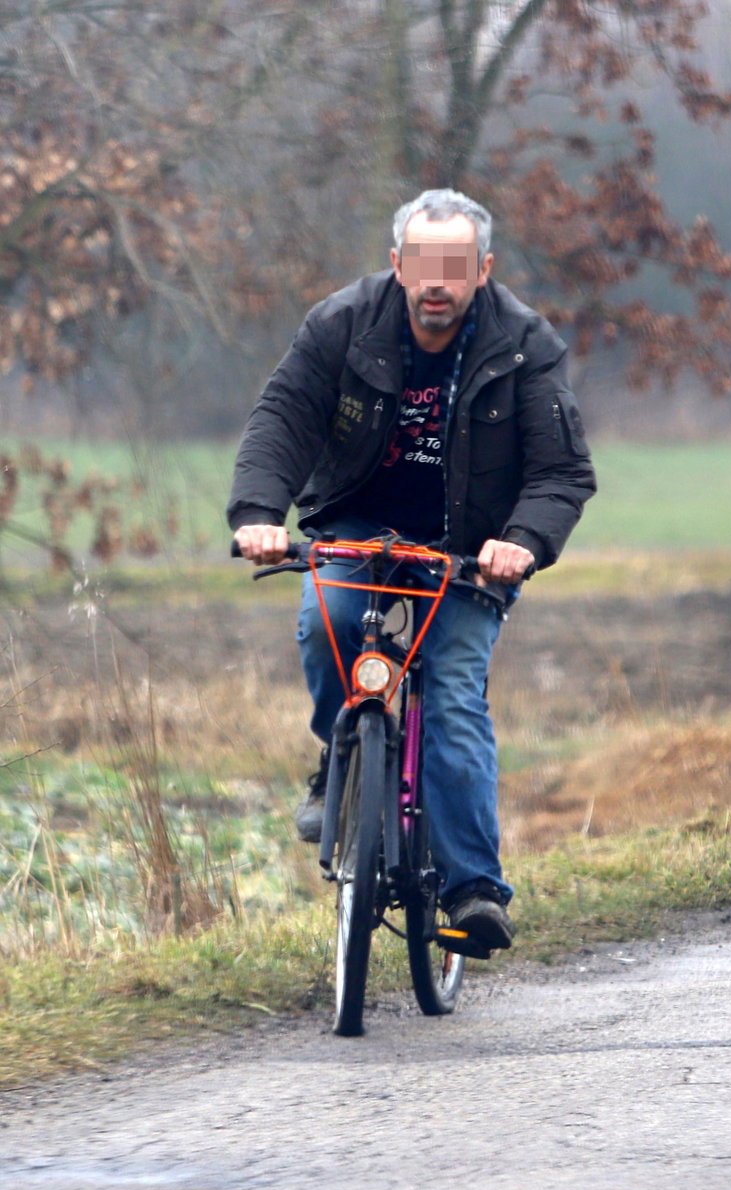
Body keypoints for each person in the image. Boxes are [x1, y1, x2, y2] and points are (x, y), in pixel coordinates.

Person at [228, 188, 596, 953]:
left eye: (455, 266)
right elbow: (283, 419)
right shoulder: (341, 325)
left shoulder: (526, 344)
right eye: (423, 264)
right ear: (397, 265)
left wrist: (521, 541)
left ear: (483, 271)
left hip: (472, 546)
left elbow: (561, 471)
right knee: (325, 623)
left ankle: (473, 890)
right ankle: (341, 754)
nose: (438, 281)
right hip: (358, 526)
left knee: (452, 694)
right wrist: (259, 515)